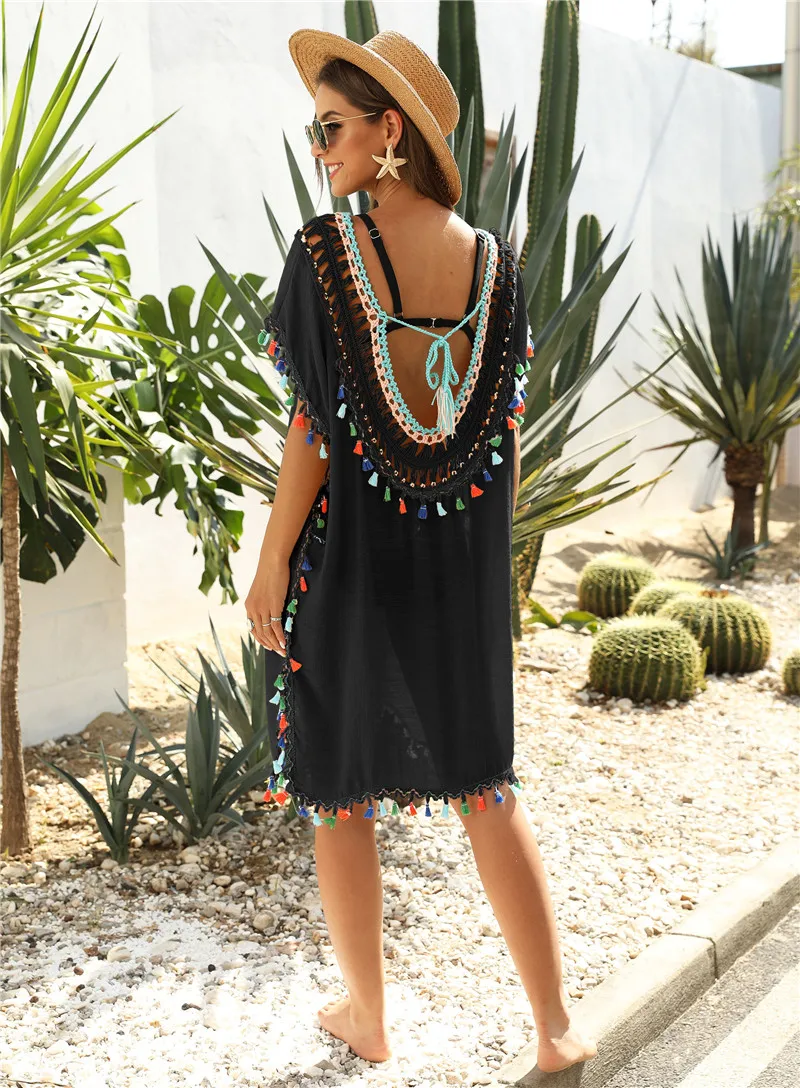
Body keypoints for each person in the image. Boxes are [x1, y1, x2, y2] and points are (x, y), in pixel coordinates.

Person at [244, 27, 598, 1076]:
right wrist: (487, 577)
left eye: (331, 127)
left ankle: (368, 1014)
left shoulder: (324, 255)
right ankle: (554, 1026)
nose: (319, 148)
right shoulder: (497, 268)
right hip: (459, 569)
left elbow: (313, 427)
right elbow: (506, 441)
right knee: (486, 783)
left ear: (388, 130)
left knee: (340, 788)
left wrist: (272, 561)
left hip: (348, 566)